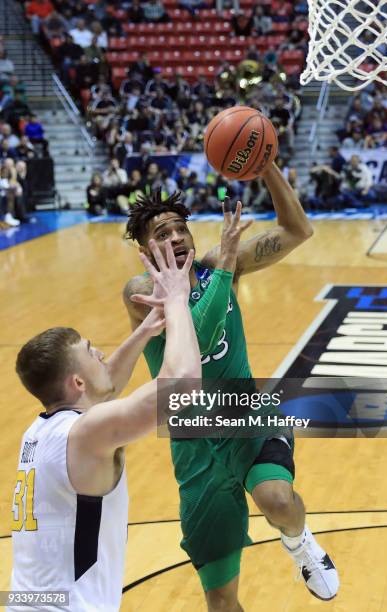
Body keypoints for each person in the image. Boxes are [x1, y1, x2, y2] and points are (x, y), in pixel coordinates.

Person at [122, 164, 339, 611]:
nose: (176, 237)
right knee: (221, 602)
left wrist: (268, 166)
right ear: (145, 249)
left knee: (276, 500)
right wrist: (224, 266)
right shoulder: (142, 291)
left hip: (245, 415)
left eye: (181, 229)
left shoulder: (219, 267)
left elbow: (298, 230)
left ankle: (300, 545)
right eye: (163, 234)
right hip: (194, 444)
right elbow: (195, 339)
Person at [10, 241, 201, 611]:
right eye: (90, 349)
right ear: (77, 383)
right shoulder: (85, 434)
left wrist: (147, 328)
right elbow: (183, 383)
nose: (100, 353)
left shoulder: (39, 431)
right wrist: (178, 300)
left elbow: (104, 383)